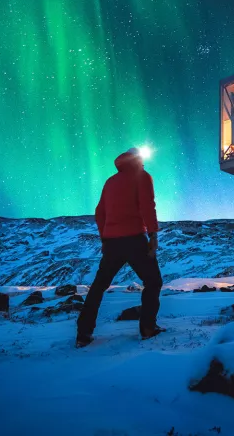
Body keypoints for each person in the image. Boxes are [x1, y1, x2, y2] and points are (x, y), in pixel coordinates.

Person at [76, 147, 163, 347]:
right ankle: (148, 328)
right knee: (153, 281)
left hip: (112, 243)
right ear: (138, 160)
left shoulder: (110, 182)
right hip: (134, 239)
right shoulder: (142, 176)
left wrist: (104, 239)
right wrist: (153, 235)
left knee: (98, 287)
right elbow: (148, 206)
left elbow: (100, 213)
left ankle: (83, 334)